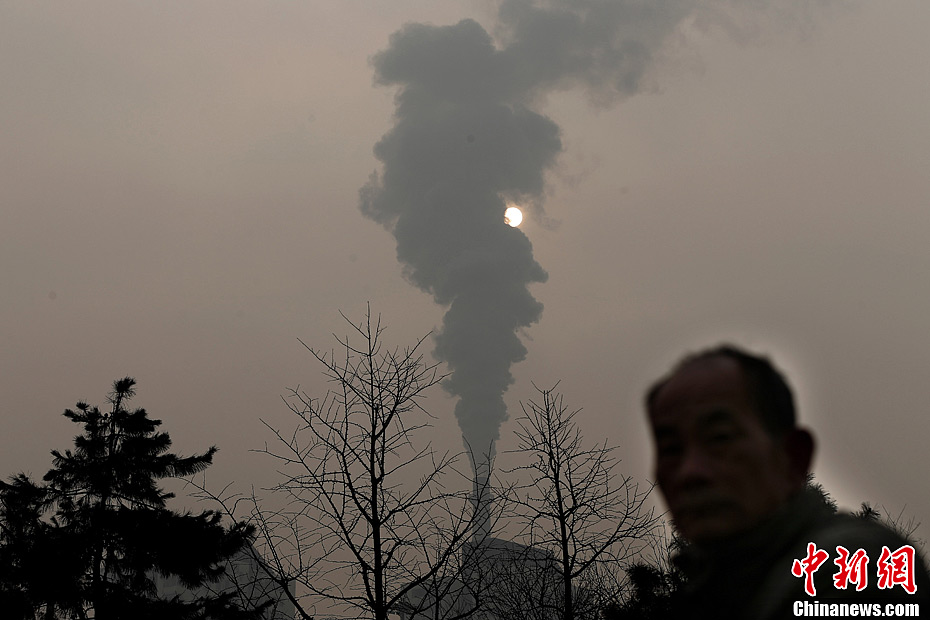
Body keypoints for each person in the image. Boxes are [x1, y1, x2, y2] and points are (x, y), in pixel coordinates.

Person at [644, 344, 929, 619]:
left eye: (720, 438)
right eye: (671, 449)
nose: (690, 472)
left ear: (793, 457)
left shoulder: (857, 570)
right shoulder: (719, 590)